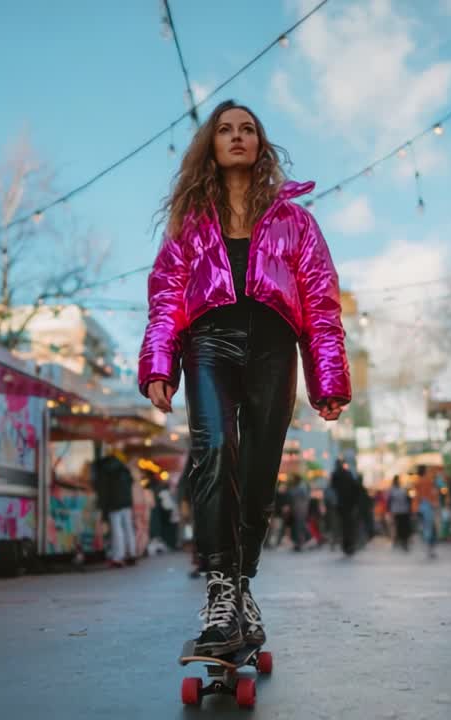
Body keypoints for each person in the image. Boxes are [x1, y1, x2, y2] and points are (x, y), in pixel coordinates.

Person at [139, 100, 350, 655]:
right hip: (207, 343)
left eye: (247, 130)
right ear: (210, 145)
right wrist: (160, 362)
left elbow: (322, 305)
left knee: (258, 469)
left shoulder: (296, 222)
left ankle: (241, 585)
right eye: (225, 130)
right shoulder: (190, 222)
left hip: (274, 348)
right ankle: (217, 589)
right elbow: (165, 298)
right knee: (214, 453)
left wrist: (328, 380)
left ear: (260, 144)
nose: (236, 137)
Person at [93, 450, 137, 568]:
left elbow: (103, 490)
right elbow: (131, 483)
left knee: (117, 530)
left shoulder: (104, 470)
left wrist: (103, 508)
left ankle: (118, 557)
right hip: (126, 502)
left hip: (113, 503)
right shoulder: (123, 468)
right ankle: (132, 553)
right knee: (128, 527)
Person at [331, 460, 361, 555]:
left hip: (342, 504)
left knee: (343, 525)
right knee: (349, 525)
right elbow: (355, 487)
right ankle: (349, 544)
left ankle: (346, 545)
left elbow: (333, 488)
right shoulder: (348, 474)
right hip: (349, 504)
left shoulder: (336, 474)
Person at [412, 465, 438, 559]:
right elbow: (432, 493)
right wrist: (434, 503)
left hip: (420, 506)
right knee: (430, 527)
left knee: (425, 527)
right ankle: (430, 548)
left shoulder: (417, 481)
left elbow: (416, 497)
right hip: (428, 505)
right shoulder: (428, 481)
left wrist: (415, 509)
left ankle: (428, 547)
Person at [387, 475, 413, 551]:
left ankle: (403, 541)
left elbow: (408, 499)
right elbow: (390, 501)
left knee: (403, 527)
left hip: (402, 511)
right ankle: (401, 541)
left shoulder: (402, 489)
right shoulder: (394, 490)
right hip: (398, 511)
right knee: (399, 527)